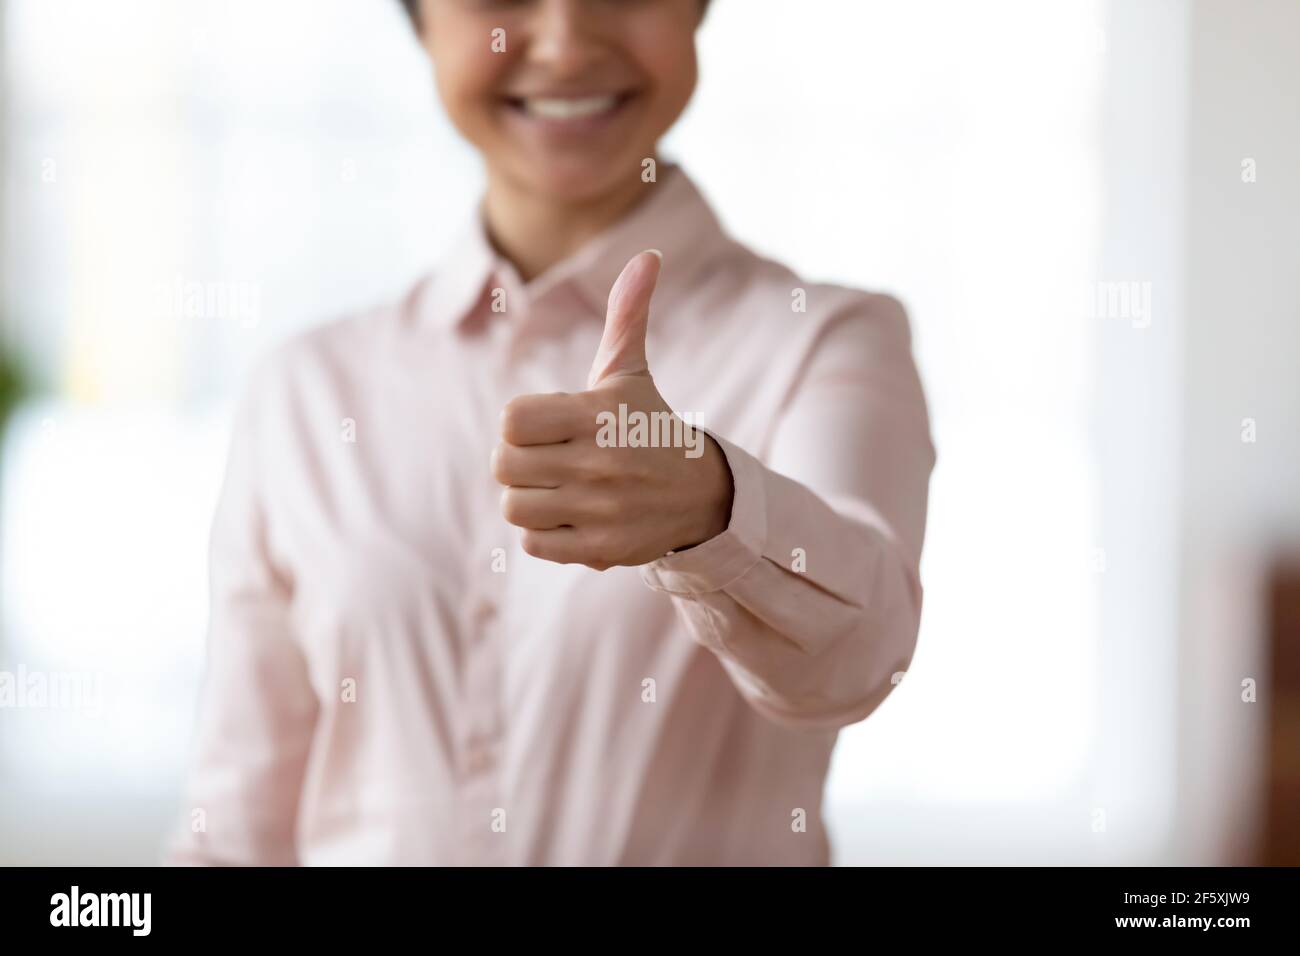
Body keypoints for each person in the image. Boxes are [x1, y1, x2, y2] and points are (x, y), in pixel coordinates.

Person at [167, 0, 936, 866]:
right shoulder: (305, 392)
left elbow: (861, 656)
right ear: (420, 21)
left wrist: (714, 510)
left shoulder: (825, 340)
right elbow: (234, 828)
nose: (566, 46)